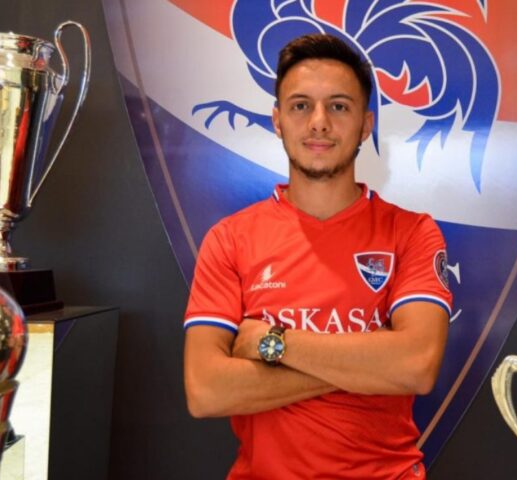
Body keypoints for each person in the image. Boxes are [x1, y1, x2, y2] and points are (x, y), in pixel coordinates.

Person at [183, 33, 453, 479]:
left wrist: (272, 344)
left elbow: (417, 366)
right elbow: (206, 391)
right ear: (278, 120)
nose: (319, 122)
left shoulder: (412, 233)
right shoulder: (229, 239)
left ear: (366, 124)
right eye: (301, 105)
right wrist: (368, 363)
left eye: (339, 106)